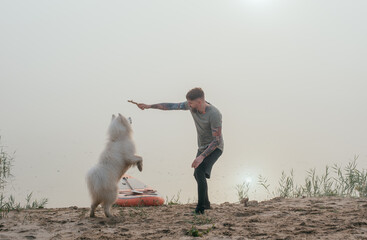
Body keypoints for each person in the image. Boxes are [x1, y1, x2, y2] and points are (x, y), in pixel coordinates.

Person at [133, 87, 223, 214]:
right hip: (202, 147)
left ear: (199, 101)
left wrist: (201, 157)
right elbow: (171, 106)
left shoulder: (214, 114)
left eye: (191, 103)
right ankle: (206, 203)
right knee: (197, 174)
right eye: (188, 103)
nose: (189, 105)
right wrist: (148, 106)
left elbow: (216, 141)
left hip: (215, 148)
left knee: (199, 172)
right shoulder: (192, 106)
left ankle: (200, 208)